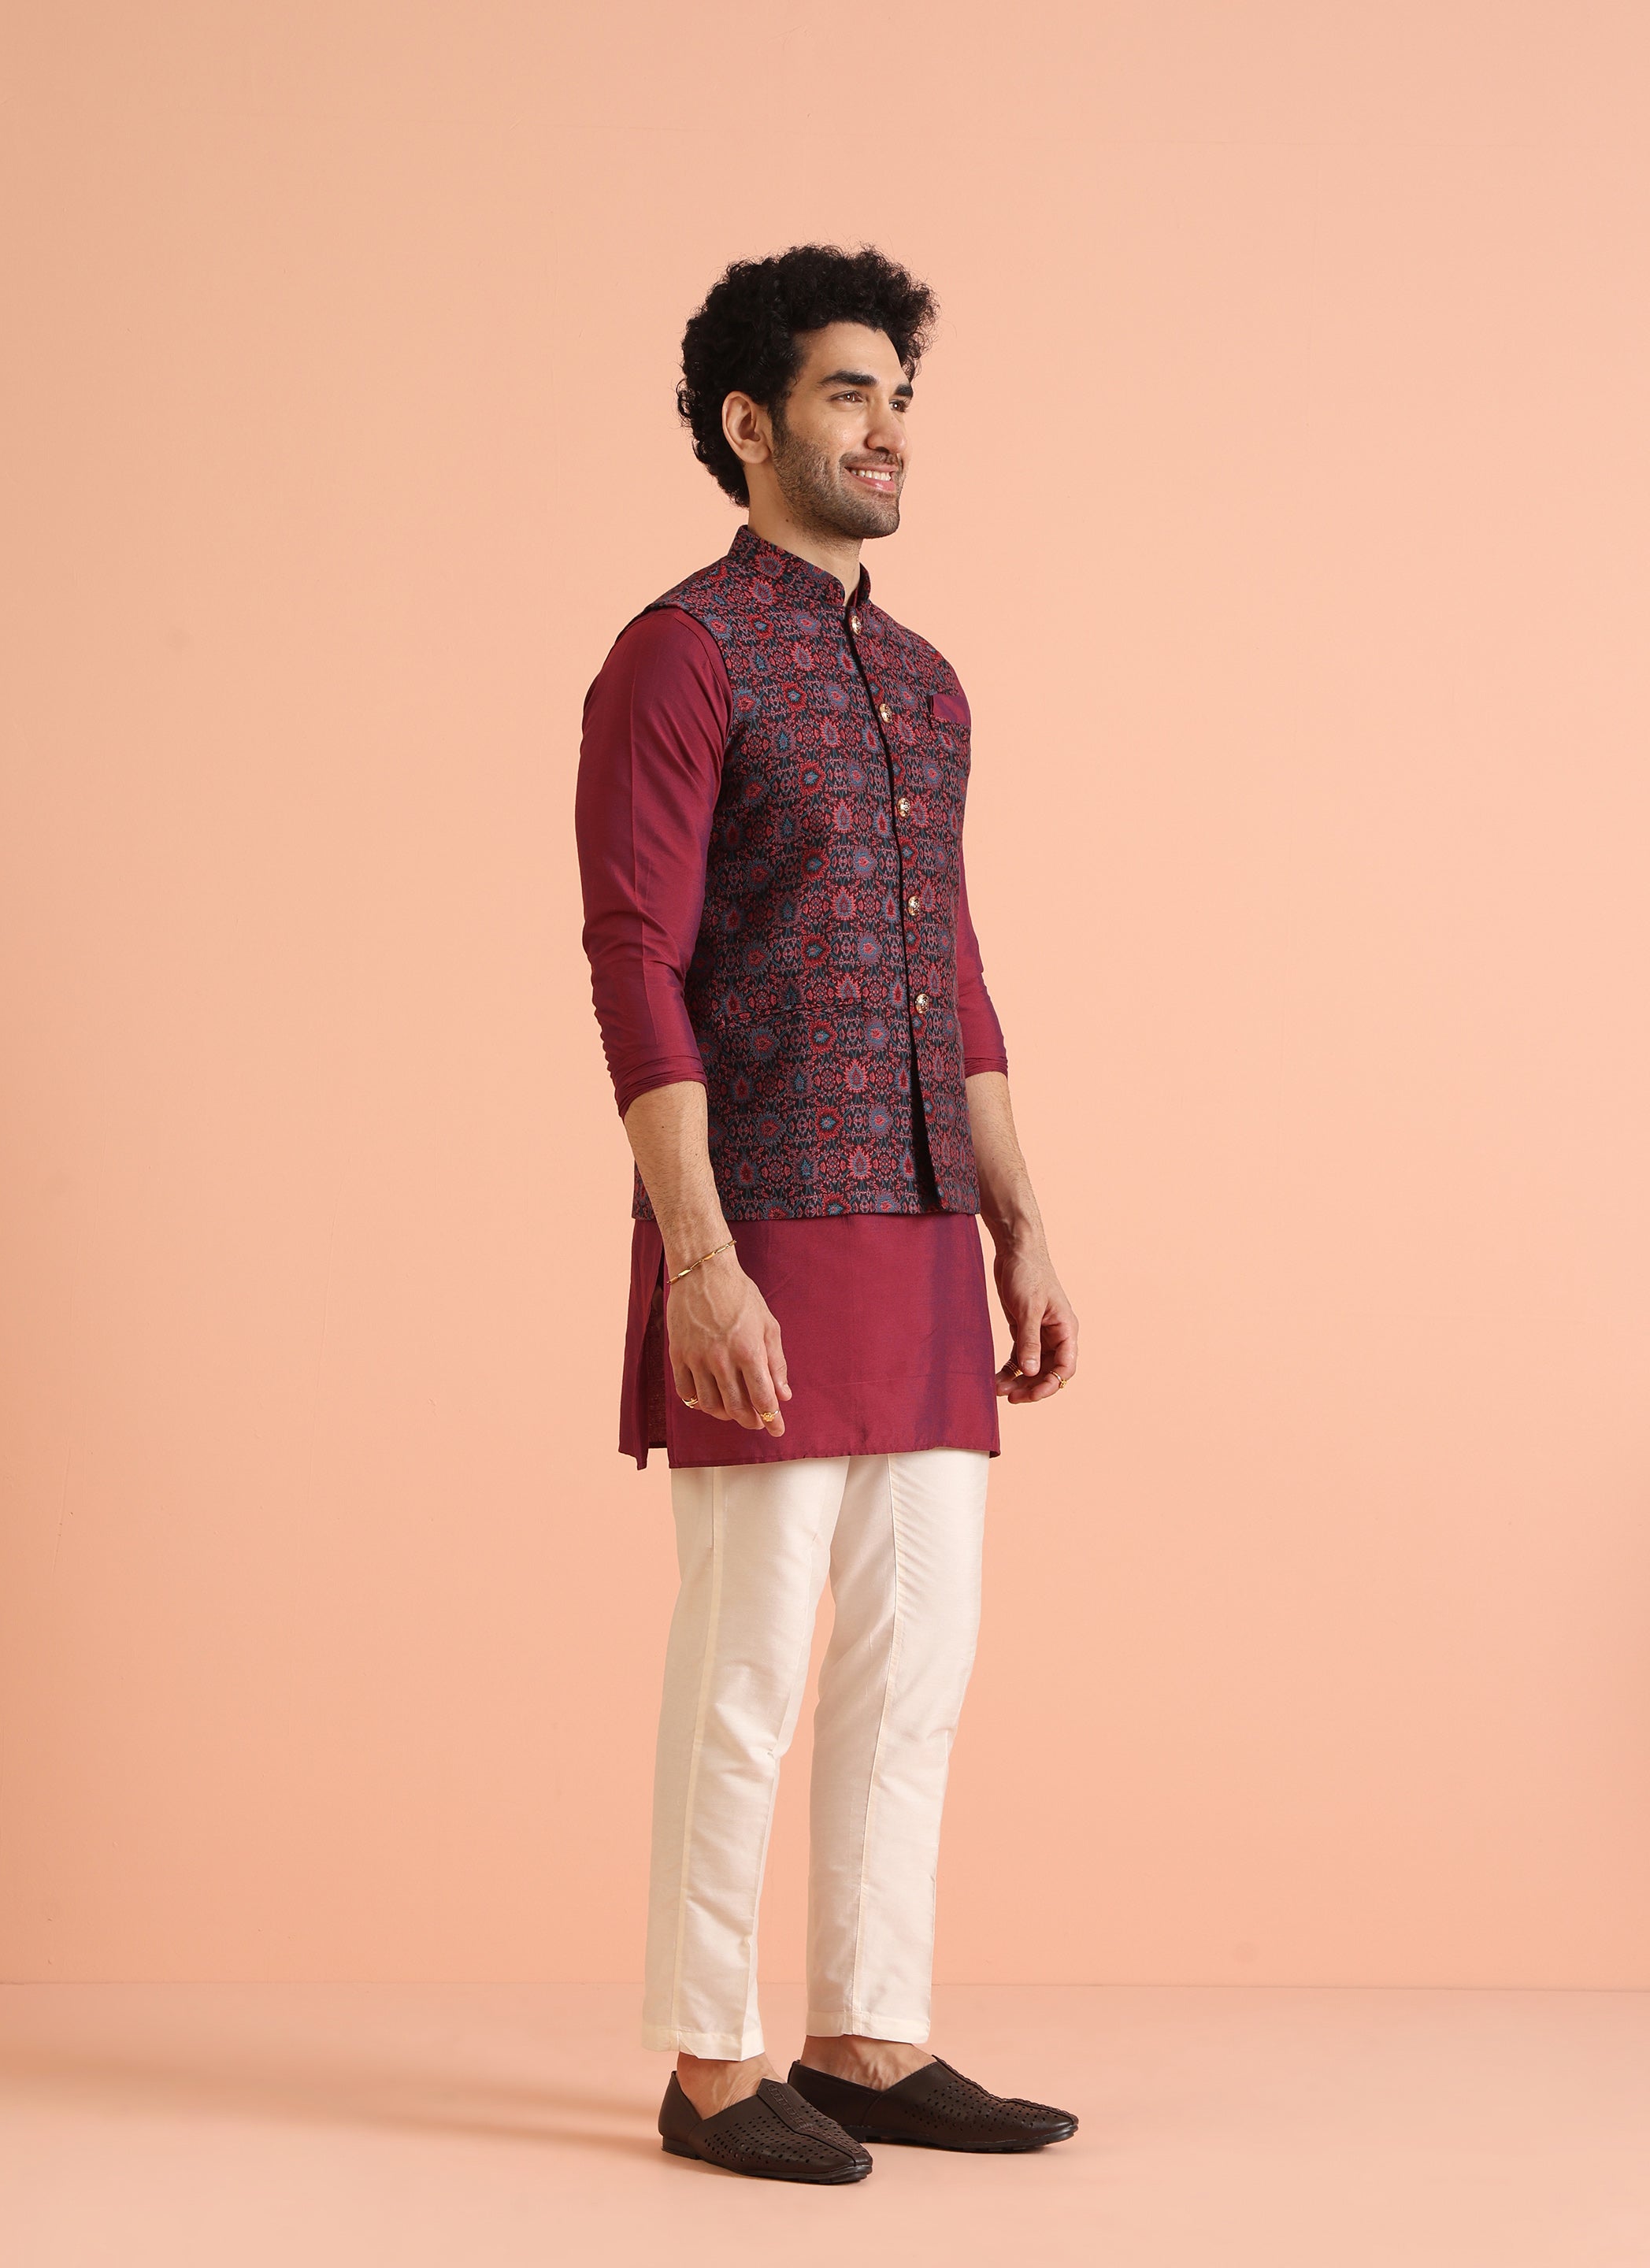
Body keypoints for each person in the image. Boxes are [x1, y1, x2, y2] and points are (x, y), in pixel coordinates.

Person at [575, 245, 1080, 2184]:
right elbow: (635, 953)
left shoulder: (928, 685)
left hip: (929, 1228)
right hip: (766, 1219)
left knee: (917, 1659)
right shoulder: (680, 654)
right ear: (749, 423)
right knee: (749, 1666)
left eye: (901, 397)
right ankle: (712, 2061)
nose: (888, 431)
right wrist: (696, 1257)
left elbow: (954, 960)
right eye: (850, 393)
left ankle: (869, 2034)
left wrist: (1020, 1219)